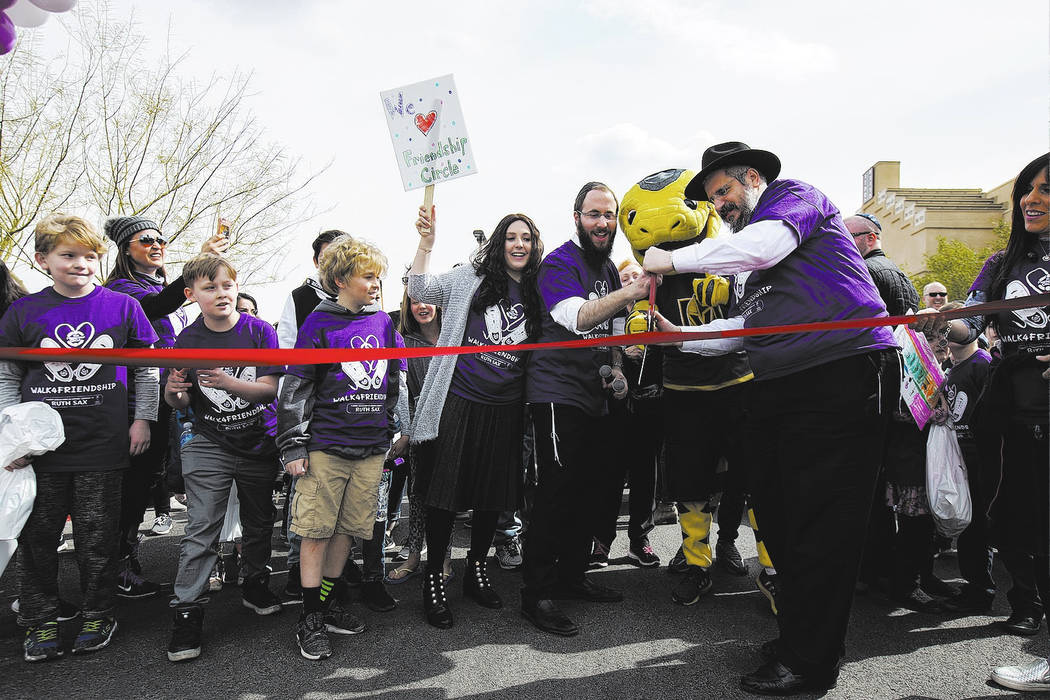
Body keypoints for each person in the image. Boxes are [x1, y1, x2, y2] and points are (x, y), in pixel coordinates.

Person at [644, 142, 898, 695]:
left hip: (843, 376)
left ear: (753, 178)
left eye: (724, 191)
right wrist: (679, 336)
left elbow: (759, 248)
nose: (721, 205)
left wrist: (673, 259)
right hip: (781, 389)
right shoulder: (753, 267)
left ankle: (809, 660)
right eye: (713, 200)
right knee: (781, 519)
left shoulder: (793, 201)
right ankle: (801, 638)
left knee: (821, 526)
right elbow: (739, 333)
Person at [913, 153, 1049, 691]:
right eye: (1027, 190)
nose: (1031, 200)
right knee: (1011, 516)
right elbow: (970, 309)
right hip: (1010, 412)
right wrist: (941, 317)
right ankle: (1025, 604)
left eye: (1045, 190)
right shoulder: (1002, 261)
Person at [0, 214, 159, 662]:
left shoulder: (124, 307)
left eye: (90, 255)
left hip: (102, 446)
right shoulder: (24, 312)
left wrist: (143, 419)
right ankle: (40, 618)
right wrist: (11, 435)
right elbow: (8, 376)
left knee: (97, 539)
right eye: (68, 255)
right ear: (42, 260)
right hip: (39, 452)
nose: (80, 264)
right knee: (37, 539)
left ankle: (97, 612)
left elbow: (146, 369)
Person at [521, 181, 654, 637]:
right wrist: (633, 292)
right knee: (555, 492)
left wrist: (617, 368)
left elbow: (613, 331)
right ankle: (536, 595)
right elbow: (578, 318)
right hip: (555, 393)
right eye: (594, 214)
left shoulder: (610, 272)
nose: (603, 223)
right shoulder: (559, 262)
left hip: (596, 397)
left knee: (591, 492)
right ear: (577, 217)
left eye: (609, 215)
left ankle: (572, 578)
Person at [408, 207, 544, 629]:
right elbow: (419, 289)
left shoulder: (540, 289)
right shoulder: (470, 277)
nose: (518, 244)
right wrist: (426, 244)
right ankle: (434, 578)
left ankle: (477, 571)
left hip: (506, 407)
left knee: (492, 496)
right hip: (459, 400)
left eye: (526, 238)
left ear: (535, 246)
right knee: (445, 495)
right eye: (511, 237)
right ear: (499, 243)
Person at [276, 234, 400, 660]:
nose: (376, 284)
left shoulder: (383, 324)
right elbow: (296, 387)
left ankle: (326, 604)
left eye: (379, 277)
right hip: (325, 449)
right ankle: (309, 616)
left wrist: (390, 430)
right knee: (315, 533)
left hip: (369, 451)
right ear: (342, 279)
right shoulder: (319, 323)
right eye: (368, 276)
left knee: (348, 531)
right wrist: (293, 445)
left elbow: (393, 382)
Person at [163, 253, 283, 662]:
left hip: (258, 443)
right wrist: (175, 389)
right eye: (209, 287)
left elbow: (269, 390)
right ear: (191, 295)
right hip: (207, 442)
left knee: (259, 520)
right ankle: (187, 611)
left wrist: (229, 381)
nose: (221, 294)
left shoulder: (260, 331)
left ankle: (254, 582)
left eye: (227, 285)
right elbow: (176, 399)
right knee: (202, 525)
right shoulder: (187, 340)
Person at [103, 215, 228, 595]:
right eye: (146, 240)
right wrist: (198, 263)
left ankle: (124, 560)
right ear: (126, 248)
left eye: (161, 239)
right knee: (133, 484)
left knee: (149, 480)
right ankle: (116, 567)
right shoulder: (122, 287)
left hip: (166, 395)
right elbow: (155, 308)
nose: (157, 245)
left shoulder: (155, 284)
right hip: (135, 401)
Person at [276, 230, 342, 597]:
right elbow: (287, 355)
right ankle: (294, 568)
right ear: (317, 262)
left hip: (348, 414)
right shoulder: (300, 299)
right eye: (330, 255)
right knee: (304, 491)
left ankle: (335, 579)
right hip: (309, 412)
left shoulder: (367, 302)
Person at [589, 260, 661, 569]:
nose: (632, 280)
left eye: (637, 275)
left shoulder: (657, 310)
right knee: (608, 475)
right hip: (615, 407)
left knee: (646, 476)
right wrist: (621, 357)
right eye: (625, 276)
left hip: (650, 404)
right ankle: (601, 541)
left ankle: (639, 540)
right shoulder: (610, 311)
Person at [385, 291, 453, 584]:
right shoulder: (406, 342)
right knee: (418, 495)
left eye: (427, 299)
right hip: (419, 428)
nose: (421, 306)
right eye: (414, 301)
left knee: (447, 497)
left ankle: (445, 558)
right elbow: (402, 392)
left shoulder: (455, 337)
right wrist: (408, 431)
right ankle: (414, 555)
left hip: (454, 424)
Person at [934, 301, 996, 615]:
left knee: (979, 529)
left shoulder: (982, 362)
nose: (950, 330)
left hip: (979, 458)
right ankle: (976, 587)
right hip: (960, 456)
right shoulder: (952, 368)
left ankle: (982, 592)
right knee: (970, 527)